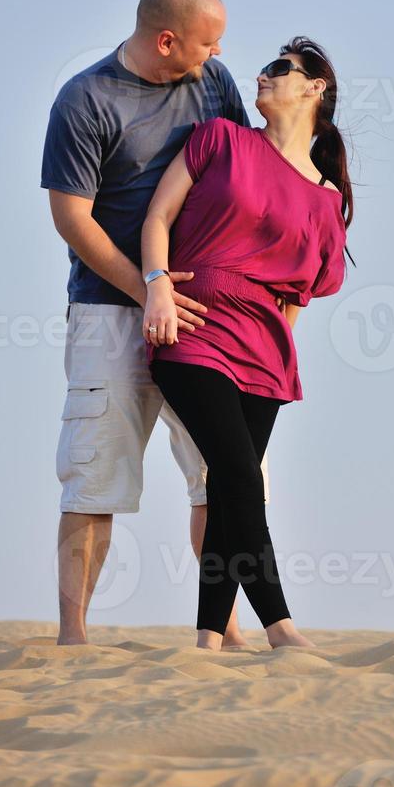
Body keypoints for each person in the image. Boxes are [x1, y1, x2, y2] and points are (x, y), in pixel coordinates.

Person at [41, 0, 272, 646]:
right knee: (94, 474)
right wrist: (152, 290)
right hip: (108, 314)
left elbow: (242, 173)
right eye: (206, 43)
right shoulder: (84, 100)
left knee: (223, 472)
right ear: (166, 40)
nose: (218, 55)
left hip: (209, 320)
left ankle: (223, 633)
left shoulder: (213, 84)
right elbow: (72, 219)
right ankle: (72, 638)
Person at [141, 36, 355, 650]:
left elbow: (298, 297)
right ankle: (281, 627)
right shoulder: (219, 139)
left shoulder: (326, 199)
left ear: (315, 88)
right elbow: (158, 218)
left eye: (280, 69)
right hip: (192, 324)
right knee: (238, 473)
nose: (262, 74)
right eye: (264, 66)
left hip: (263, 347)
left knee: (229, 488)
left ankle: (209, 636)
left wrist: (277, 354)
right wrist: (156, 285)